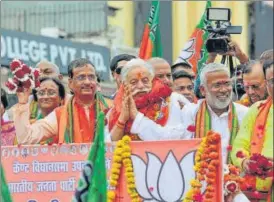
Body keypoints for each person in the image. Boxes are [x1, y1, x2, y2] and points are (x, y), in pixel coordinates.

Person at [13, 58, 110, 145]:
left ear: (96, 82)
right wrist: (22, 103)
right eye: (81, 77)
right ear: (70, 83)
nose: (87, 82)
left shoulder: (110, 107)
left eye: (91, 77)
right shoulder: (60, 114)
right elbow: (27, 138)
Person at [179, 63, 248, 164]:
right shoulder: (190, 112)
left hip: (236, 177)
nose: (224, 90)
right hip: (200, 177)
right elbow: (182, 149)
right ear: (203, 90)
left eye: (227, 84)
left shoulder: (244, 113)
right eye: (217, 85)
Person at [106, 59, 189, 141]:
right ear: (125, 85)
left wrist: (136, 115)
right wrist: (122, 119)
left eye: (145, 81)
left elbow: (173, 138)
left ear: (152, 81)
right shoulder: (115, 110)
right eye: (133, 82)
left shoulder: (173, 102)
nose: (141, 86)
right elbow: (108, 146)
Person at [231, 60, 273, 202]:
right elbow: (240, 145)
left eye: (255, 86)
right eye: (271, 81)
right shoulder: (256, 109)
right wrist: (245, 162)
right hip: (259, 192)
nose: (250, 92)